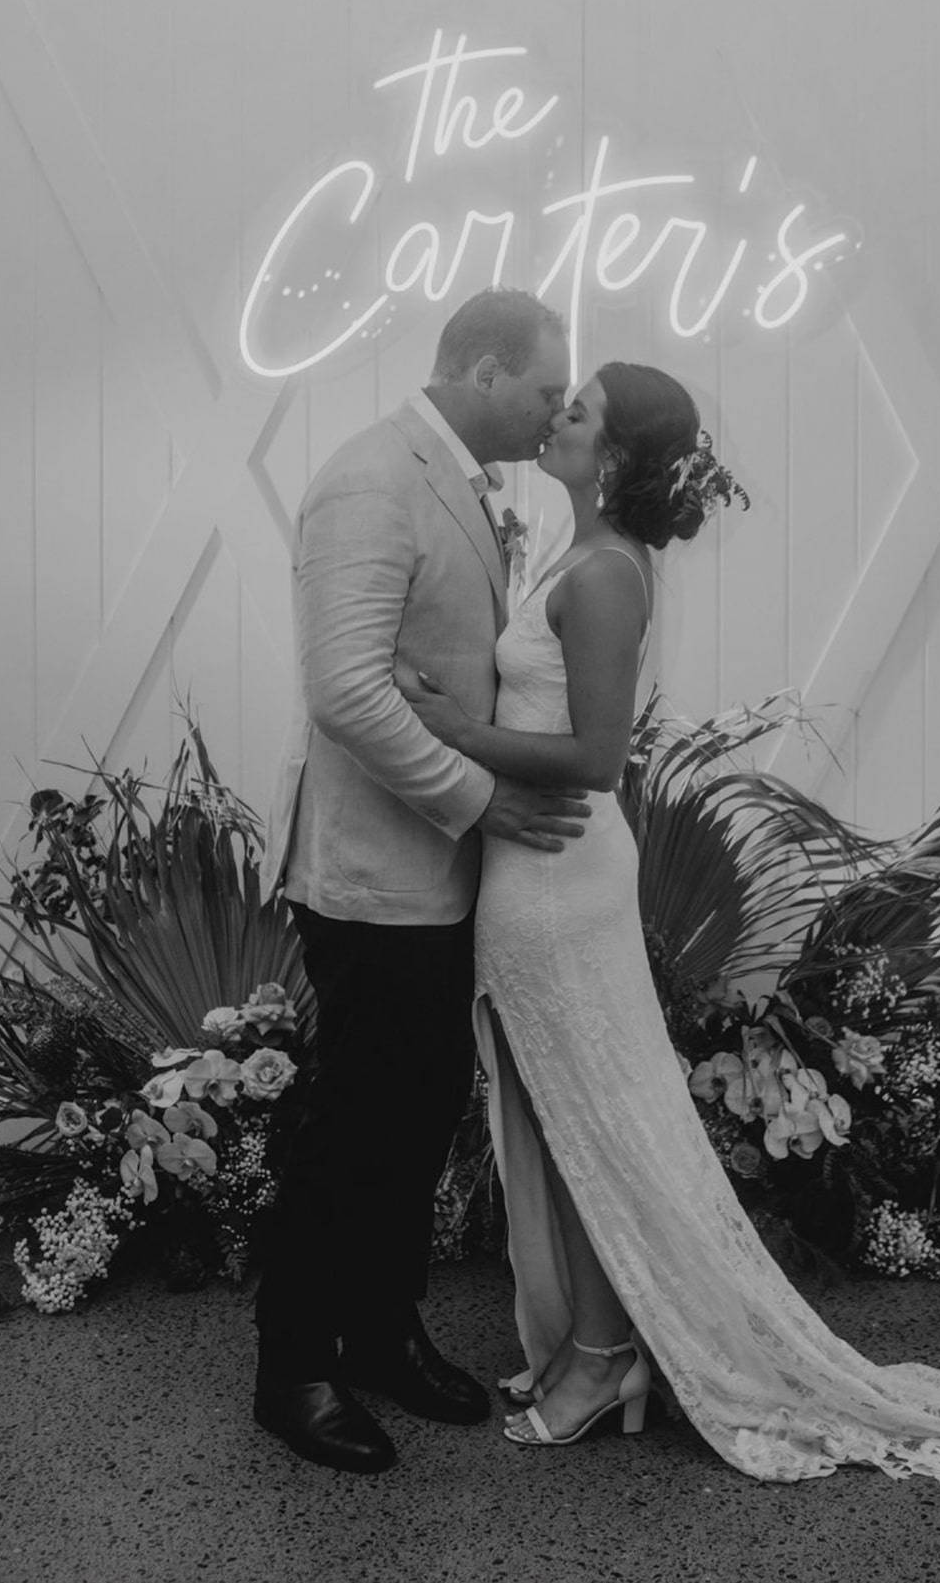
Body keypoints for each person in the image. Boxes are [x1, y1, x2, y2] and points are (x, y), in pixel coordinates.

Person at [402, 360, 940, 1489]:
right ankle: (585, 1341)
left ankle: (606, 1356)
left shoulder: (608, 575)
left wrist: (445, 731)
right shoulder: (576, 553)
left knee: (591, 1129)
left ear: (612, 455)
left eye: (578, 411)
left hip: (560, 883)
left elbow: (595, 760)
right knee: (564, 1123)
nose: (555, 414)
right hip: (532, 875)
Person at [253, 288, 588, 1476]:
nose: (555, 411)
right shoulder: (368, 477)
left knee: (412, 1111)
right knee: (351, 1121)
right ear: (486, 369)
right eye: (546, 389)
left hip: (439, 873)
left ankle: (382, 1332)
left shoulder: (462, 479)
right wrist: (478, 799)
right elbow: (346, 692)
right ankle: (292, 1363)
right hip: (369, 872)